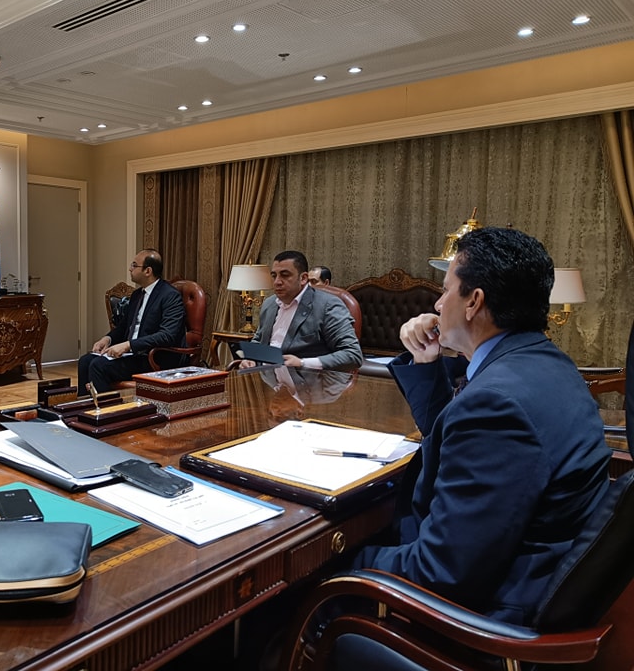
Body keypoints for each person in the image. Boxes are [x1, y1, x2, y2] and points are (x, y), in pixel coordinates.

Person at [354, 227, 611, 624]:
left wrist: (346, 563)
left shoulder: (498, 404)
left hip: (488, 616)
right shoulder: (546, 362)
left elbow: (440, 572)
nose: (437, 304)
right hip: (523, 566)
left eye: (445, 290)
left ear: (473, 301)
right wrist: (426, 361)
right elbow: (458, 439)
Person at [77, 249, 186, 396]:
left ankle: (107, 409)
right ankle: (85, 407)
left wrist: (128, 345)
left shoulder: (170, 296)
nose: (130, 269)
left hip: (152, 356)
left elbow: (167, 335)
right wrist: (107, 339)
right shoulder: (137, 295)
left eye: (134, 265)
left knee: (99, 366)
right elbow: (123, 327)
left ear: (148, 271)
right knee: (85, 361)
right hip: (132, 355)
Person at [240, 251, 362, 371]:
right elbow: (259, 339)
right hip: (265, 376)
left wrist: (302, 363)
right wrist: (250, 358)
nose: (277, 282)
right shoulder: (269, 303)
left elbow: (352, 354)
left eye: (285, 275)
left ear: (303, 278)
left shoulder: (328, 306)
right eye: (274, 276)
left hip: (308, 379)